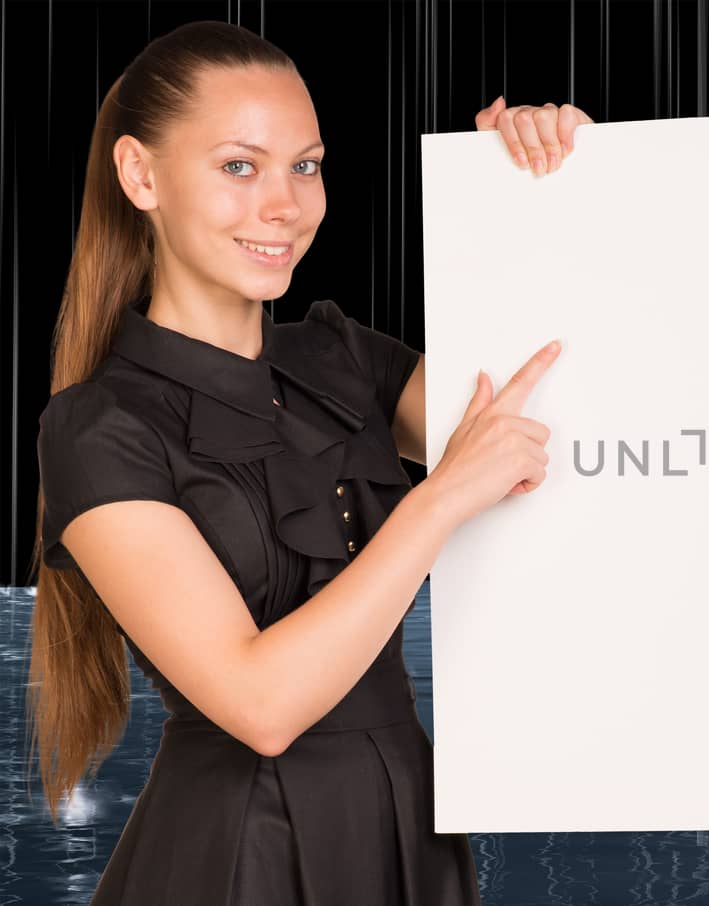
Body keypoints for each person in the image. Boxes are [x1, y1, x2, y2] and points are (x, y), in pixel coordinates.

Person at [23, 20, 589, 906]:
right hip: (242, 853)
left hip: (411, 827)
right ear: (141, 175)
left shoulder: (343, 361)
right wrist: (436, 504)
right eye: (239, 166)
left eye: (307, 164)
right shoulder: (99, 427)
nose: (285, 205)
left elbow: (551, 415)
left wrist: (532, 201)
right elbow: (261, 707)